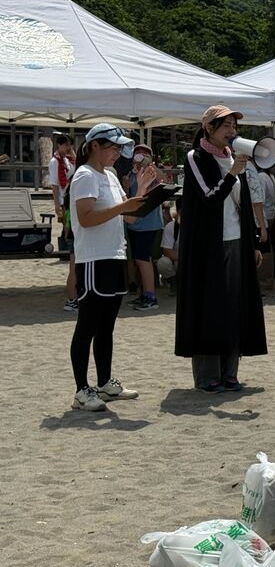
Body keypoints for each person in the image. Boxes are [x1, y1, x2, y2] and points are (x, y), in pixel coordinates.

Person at [175, 105, 267, 392]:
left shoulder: (232, 158)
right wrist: (232, 174)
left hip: (236, 241)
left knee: (235, 307)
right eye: (225, 125)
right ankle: (207, 375)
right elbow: (209, 197)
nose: (232, 131)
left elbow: (245, 206)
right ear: (209, 129)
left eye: (233, 125)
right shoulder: (196, 157)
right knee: (209, 306)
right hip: (207, 246)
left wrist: (252, 242)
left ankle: (230, 371)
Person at [68, 123, 155, 411]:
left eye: (120, 147)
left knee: (106, 327)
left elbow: (128, 218)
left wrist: (143, 192)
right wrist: (124, 206)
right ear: (95, 145)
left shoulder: (111, 175)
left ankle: (104, 384)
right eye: (114, 147)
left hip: (115, 255)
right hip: (94, 259)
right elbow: (87, 218)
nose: (119, 152)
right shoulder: (84, 175)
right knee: (88, 326)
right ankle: (82, 389)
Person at [125, 144, 163, 311]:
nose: (140, 155)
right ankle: (143, 293)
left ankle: (150, 296)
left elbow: (164, 180)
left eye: (145, 153)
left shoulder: (152, 172)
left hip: (149, 224)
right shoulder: (132, 173)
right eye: (138, 152)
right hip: (134, 223)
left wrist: (151, 165)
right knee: (138, 260)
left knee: (143, 259)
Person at [49, 133, 78, 311]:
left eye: (70, 145)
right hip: (64, 201)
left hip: (71, 199)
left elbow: (75, 166)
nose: (68, 148)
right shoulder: (55, 162)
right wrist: (57, 205)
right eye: (66, 145)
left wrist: (71, 153)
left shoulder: (67, 159)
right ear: (59, 145)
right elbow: (54, 185)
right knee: (69, 234)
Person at [157, 203, 179, 294]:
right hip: (177, 260)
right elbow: (166, 251)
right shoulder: (171, 226)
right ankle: (173, 281)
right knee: (163, 262)